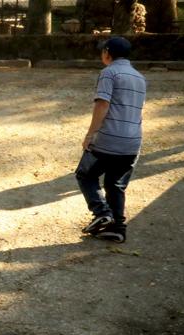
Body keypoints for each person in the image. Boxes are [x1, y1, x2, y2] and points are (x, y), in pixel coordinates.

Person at [75, 36, 146, 244]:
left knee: (85, 175)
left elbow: (102, 105)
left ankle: (102, 212)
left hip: (109, 139)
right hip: (133, 142)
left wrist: (90, 134)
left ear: (107, 52)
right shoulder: (140, 78)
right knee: (115, 184)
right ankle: (117, 228)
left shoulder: (109, 73)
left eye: (102, 51)